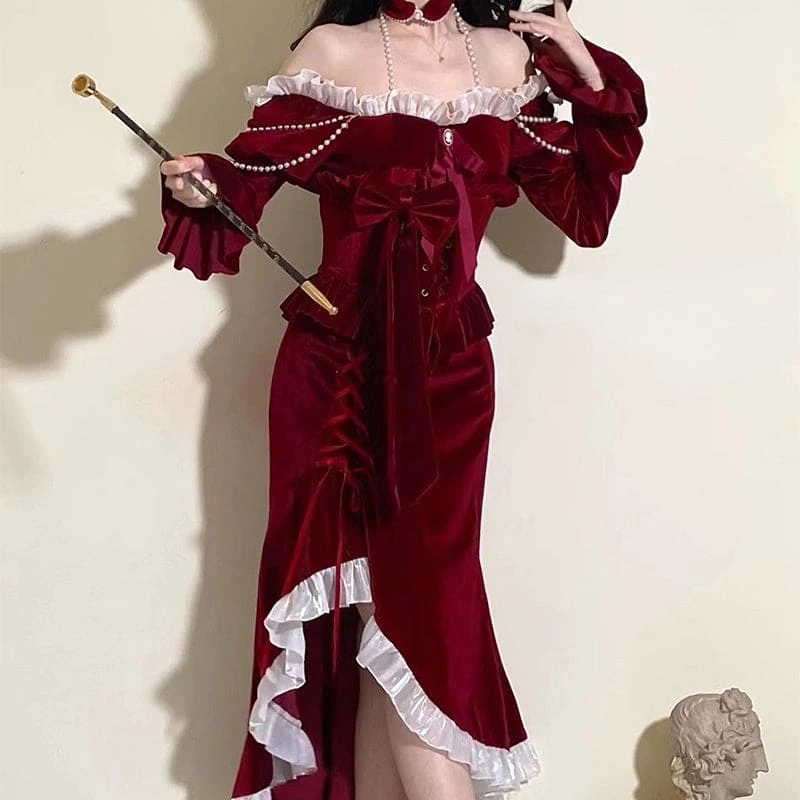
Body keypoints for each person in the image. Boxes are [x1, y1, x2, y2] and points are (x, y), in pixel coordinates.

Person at [158, 1, 647, 798]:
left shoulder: (505, 59)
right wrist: (197, 186)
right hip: (338, 377)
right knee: (388, 619)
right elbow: (246, 181)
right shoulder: (332, 51)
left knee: (414, 623)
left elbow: (584, 213)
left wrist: (583, 68)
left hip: (453, 382)